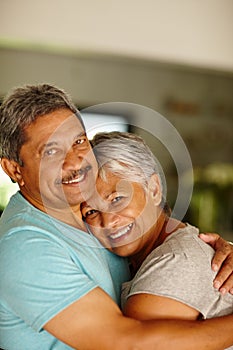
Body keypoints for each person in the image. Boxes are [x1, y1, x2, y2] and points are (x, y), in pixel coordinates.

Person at [0, 84, 233, 350]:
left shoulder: (79, 213)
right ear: (14, 169)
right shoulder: (26, 248)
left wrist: (213, 251)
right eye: (51, 151)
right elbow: (123, 344)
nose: (75, 162)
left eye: (78, 141)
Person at [81, 131, 233, 325]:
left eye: (117, 199)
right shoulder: (132, 259)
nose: (108, 222)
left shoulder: (171, 265)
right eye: (91, 212)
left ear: (154, 189)